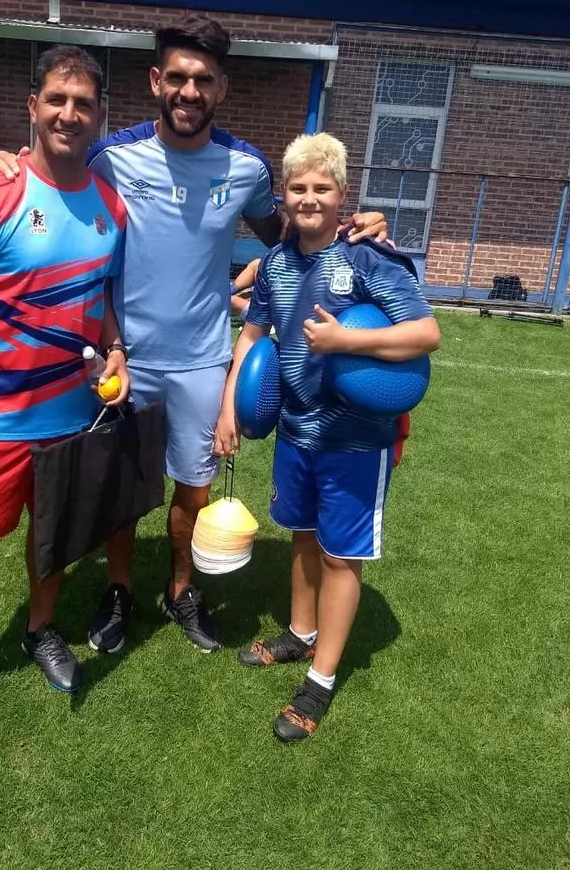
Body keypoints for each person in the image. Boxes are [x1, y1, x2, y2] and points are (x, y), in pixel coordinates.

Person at [0, 16, 387, 658]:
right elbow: (52, 172)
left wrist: (354, 222)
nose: (189, 91)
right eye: (177, 78)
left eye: (203, 80)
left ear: (221, 87)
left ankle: (179, 588)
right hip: (125, 358)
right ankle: (118, 589)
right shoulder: (113, 159)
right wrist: (4, 160)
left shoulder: (248, 168)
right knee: (117, 486)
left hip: (204, 361)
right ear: (155, 81)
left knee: (192, 489)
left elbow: (292, 230)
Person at [0, 46, 130, 766]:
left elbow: (98, 298)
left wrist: (114, 350)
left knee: (50, 545)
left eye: (83, 102)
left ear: (101, 115)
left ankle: (41, 628)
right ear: (32, 107)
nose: (69, 113)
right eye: (56, 99)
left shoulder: (111, 204)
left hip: (70, 420)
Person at [215, 132, 440, 742]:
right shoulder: (279, 263)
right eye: (298, 188)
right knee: (303, 536)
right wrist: (231, 407)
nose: (309, 198)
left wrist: (349, 343)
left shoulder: (370, 257)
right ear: (283, 195)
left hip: (356, 441)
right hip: (296, 431)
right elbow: (254, 335)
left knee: (341, 555)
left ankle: (321, 679)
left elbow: (426, 334)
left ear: (342, 194)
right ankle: (299, 633)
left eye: (322, 188)